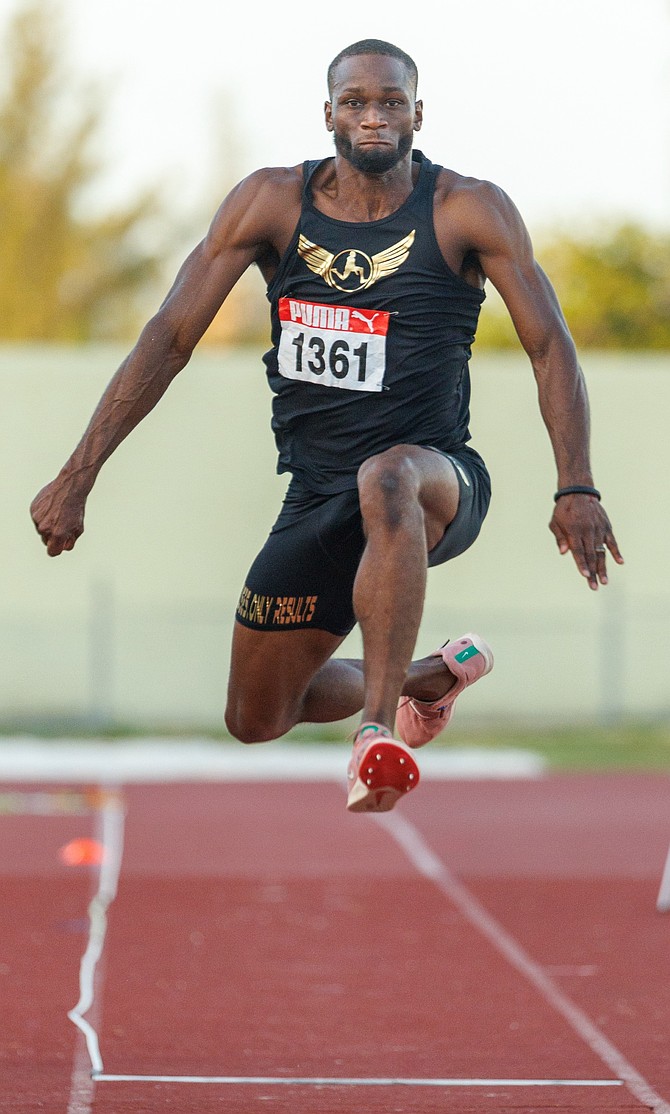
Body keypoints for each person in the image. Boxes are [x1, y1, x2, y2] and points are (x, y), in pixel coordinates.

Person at [30, 39, 623, 813]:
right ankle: (428, 675)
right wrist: (79, 476)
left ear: (418, 112)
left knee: (388, 476)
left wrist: (575, 484)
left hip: (438, 475)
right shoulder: (271, 202)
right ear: (329, 114)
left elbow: (550, 345)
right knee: (256, 716)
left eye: (389, 101)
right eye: (355, 102)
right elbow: (169, 337)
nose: (373, 117)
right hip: (316, 493)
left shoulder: (465, 209)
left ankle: (377, 739)